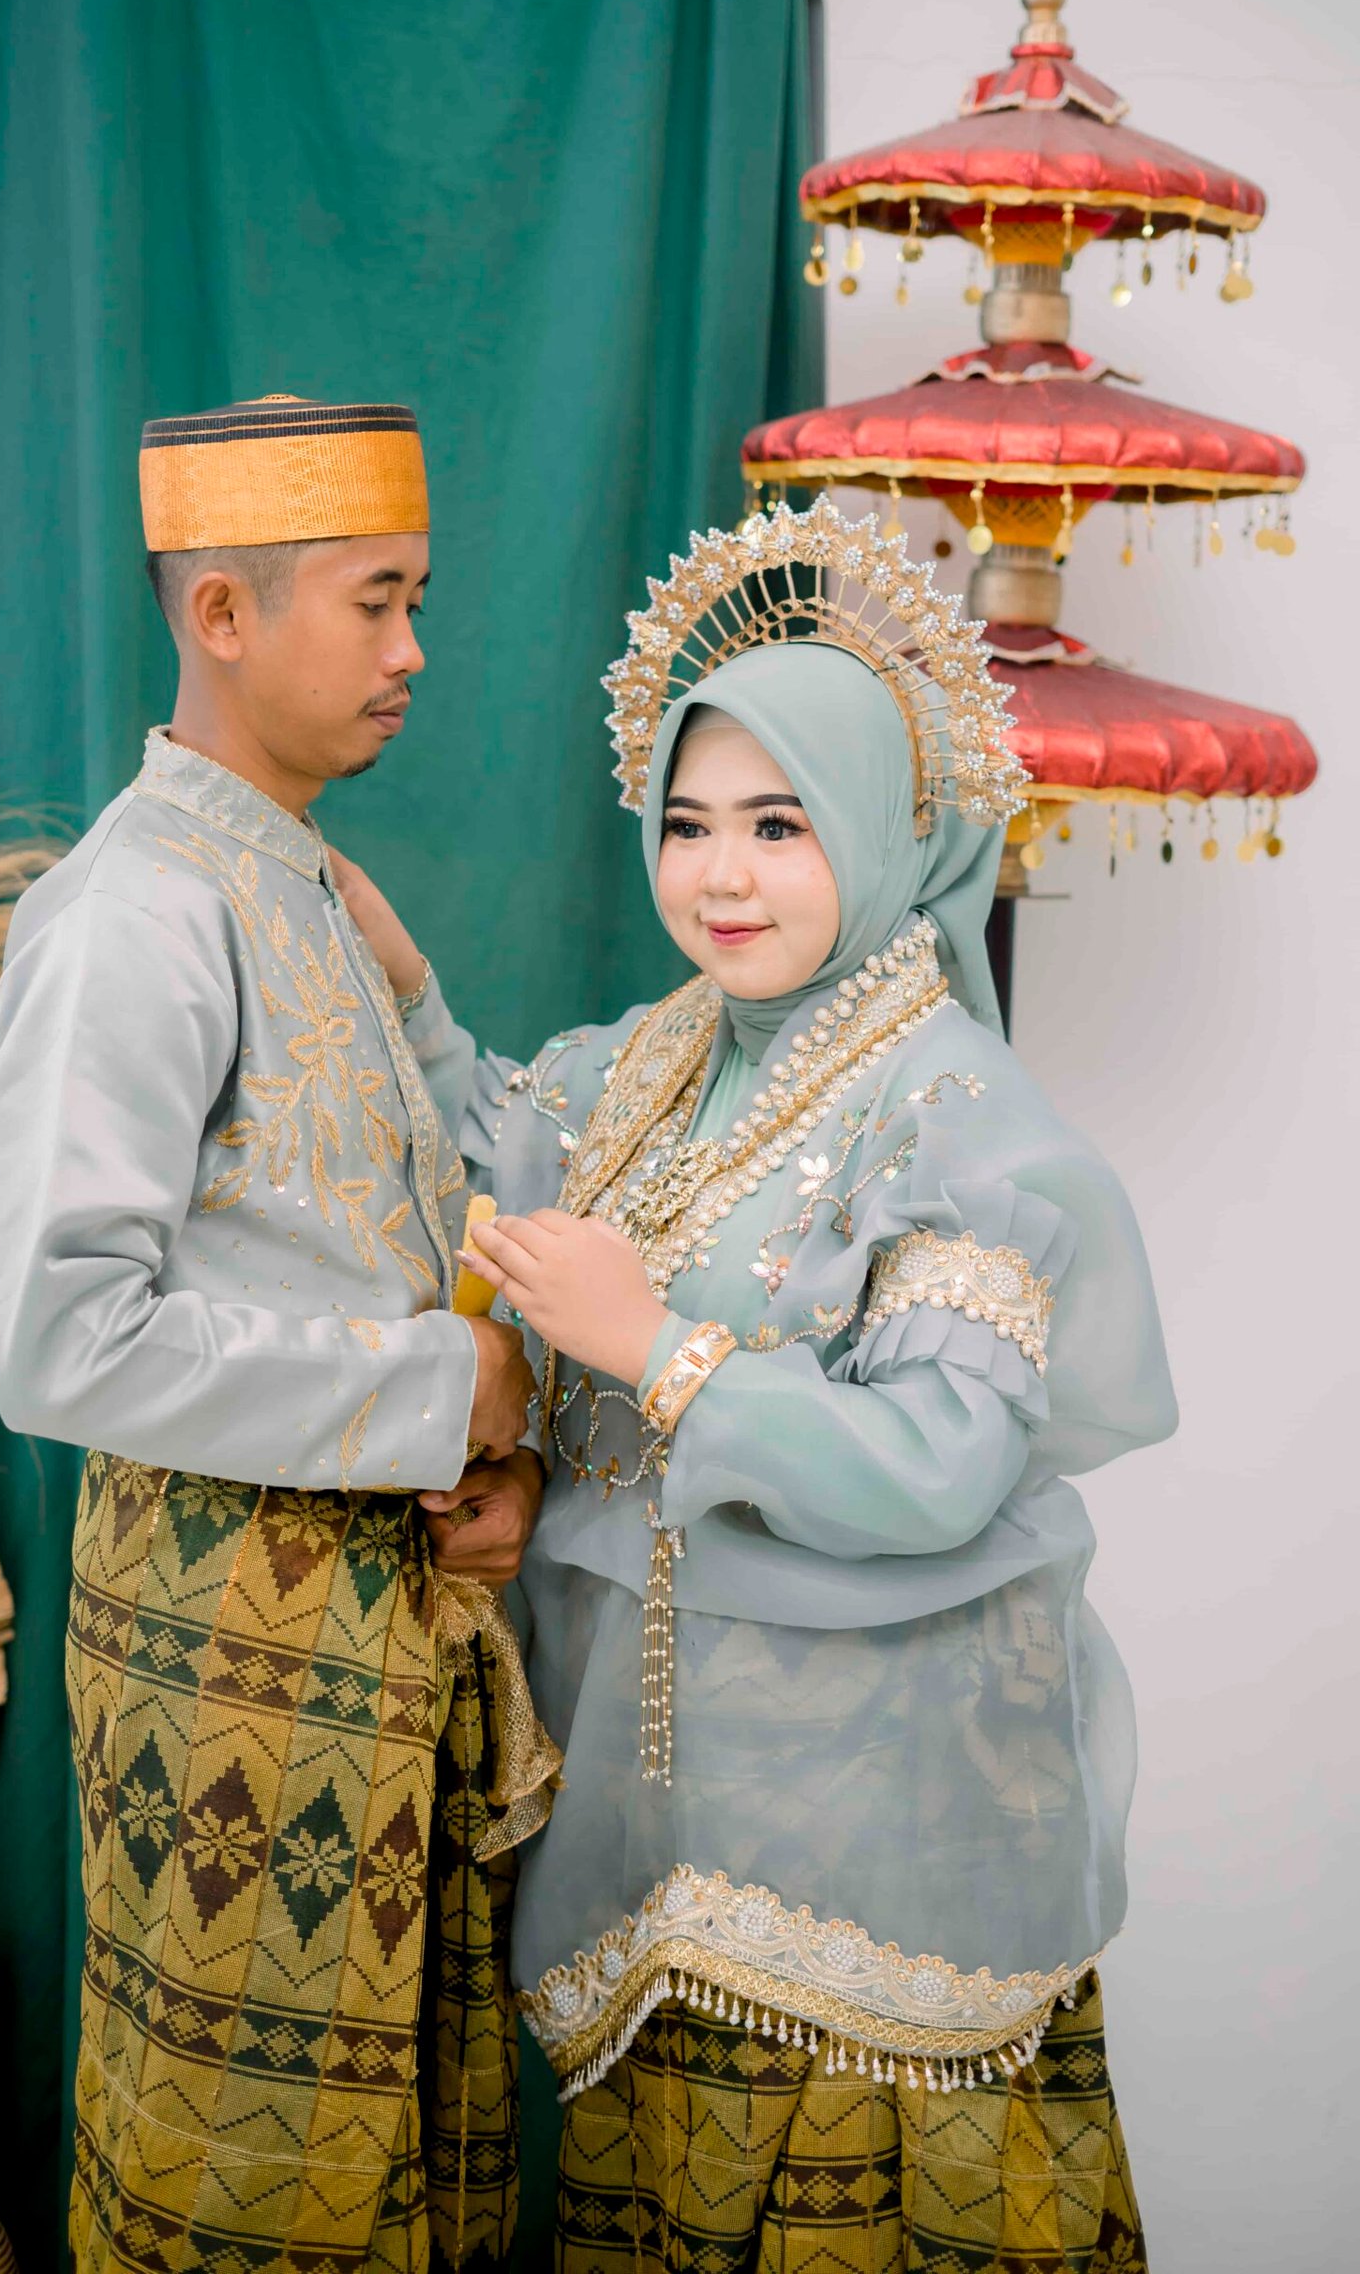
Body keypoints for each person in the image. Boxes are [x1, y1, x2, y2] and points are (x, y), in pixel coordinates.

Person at [335, 497, 1176, 2272]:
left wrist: (653, 1345)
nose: (720, 879)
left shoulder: (954, 1114)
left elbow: (940, 1461)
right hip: (657, 1815)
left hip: (873, 1824)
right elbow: (509, 1154)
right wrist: (403, 992)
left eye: (780, 826)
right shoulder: (655, 1058)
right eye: (689, 823)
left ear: (882, 826)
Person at [0, 391, 541, 2273]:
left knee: (395, 2175)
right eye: (377, 602)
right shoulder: (133, 912)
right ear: (222, 615)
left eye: (417, 602)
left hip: (378, 1646)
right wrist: (444, 1390)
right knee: (241, 2195)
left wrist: (488, 1447)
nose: (414, 651)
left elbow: (357, 1243)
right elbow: (65, 1344)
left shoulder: (300, 886)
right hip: (227, 1667)